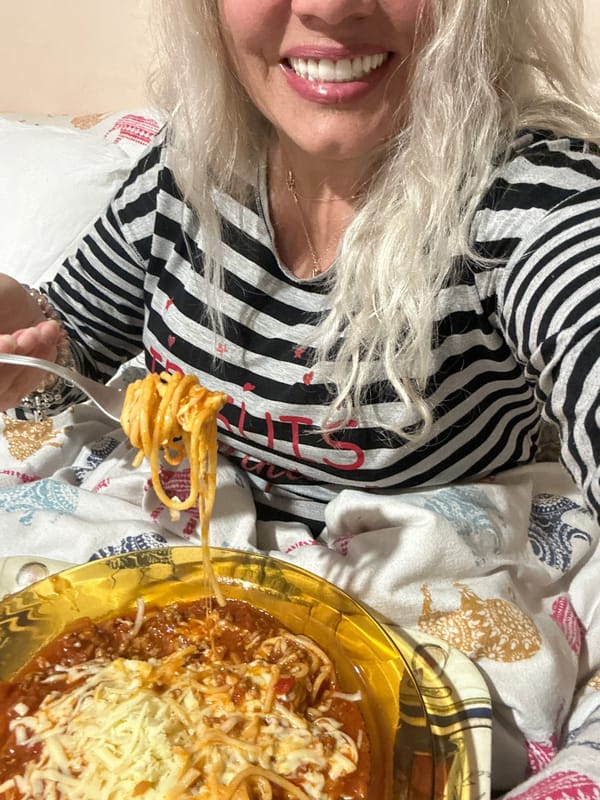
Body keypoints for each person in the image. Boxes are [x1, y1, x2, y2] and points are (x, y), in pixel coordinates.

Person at [0, 0, 599, 791]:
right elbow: (68, 341)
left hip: (394, 630)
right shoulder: (187, 165)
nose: (327, 5)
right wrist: (25, 343)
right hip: (155, 600)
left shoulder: (535, 199)